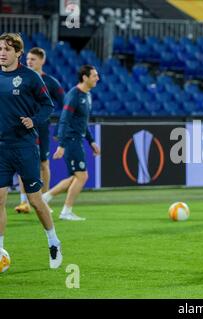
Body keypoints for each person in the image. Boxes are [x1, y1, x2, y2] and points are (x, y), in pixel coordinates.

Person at [0, 33, 62, 268]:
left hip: (25, 146)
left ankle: (53, 241)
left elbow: (48, 105)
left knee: (36, 201)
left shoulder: (30, 77)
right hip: (1, 148)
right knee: (0, 199)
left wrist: (34, 121)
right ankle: (0, 250)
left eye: (7, 49)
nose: (2, 53)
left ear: (18, 53)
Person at [42, 65, 100, 221]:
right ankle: (66, 211)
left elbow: (82, 122)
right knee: (82, 176)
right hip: (70, 140)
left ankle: (45, 197)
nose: (97, 78)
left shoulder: (87, 95)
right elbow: (64, 119)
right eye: (94, 75)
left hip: (78, 139)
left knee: (75, 177)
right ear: (85, 77)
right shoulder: (73, 95)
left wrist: (92, 141)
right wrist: (61, 144)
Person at [14, 47, 65, 214]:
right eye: (28, 59)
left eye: (33, 59)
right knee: (24, 162)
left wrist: (59, 128)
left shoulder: (50, 82)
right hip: (23, 126)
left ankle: (43, 200)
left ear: (42, 61)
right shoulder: (20, 78)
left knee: (43, 163)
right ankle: (24, 202)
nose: (29, 62)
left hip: (42, 127)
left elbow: (64, 103)